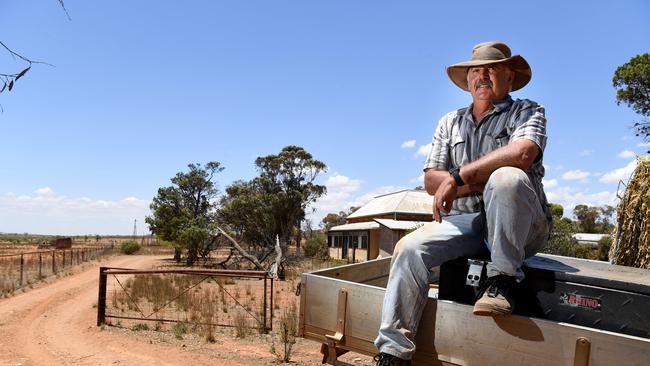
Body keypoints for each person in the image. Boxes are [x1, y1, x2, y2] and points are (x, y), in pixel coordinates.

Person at [373, 41, 553, 366]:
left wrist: (458, 179)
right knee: (409, 250)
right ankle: (392, 353)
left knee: (507, 179)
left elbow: (522, 154)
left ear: (509, 77)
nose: (483, 75)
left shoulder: (528, 110)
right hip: (466, 223)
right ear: (468, 79)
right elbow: (431, 181)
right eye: (476, 70)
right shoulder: (450, 122)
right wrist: (467, 180)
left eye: (493, 68)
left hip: (523, 225)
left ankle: (503, 279)